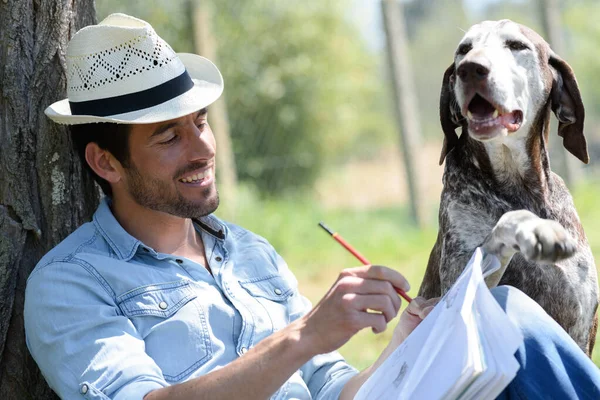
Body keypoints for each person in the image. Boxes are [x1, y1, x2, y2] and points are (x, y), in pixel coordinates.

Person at [24, 13, 600, 400]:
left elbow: (336, 390)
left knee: (505, 320)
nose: (202, 147)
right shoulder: (70, 283)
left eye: (200, 122)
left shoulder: (251, 255)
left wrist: (412, 343)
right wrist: (303, 335)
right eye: (169, 137)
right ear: (105, 163)